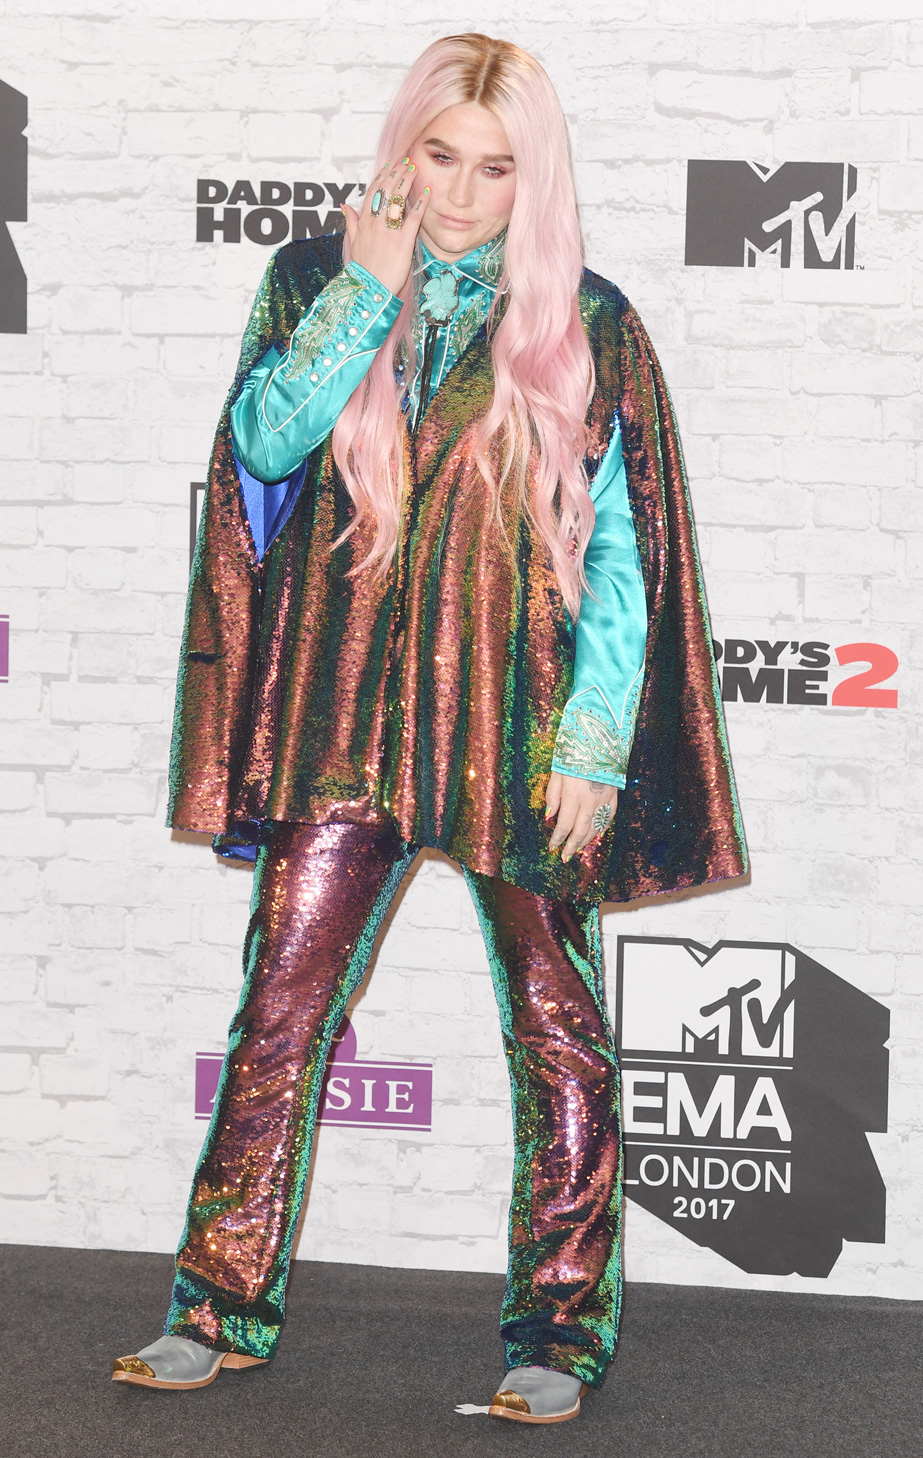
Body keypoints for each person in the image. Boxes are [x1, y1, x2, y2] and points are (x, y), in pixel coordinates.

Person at [112, 33, 747, 1423]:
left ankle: (558, 1333)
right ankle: (215, 1307)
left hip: (518, 728)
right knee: (280, 1008)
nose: (460, 194)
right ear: (405, 149)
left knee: (558, 1026)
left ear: (535, 176)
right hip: (341, 717)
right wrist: (368, 289)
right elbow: (264, 445)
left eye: (495, 168)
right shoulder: (314, 281)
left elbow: (625, 554)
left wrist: (593, 737)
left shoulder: (588, 320)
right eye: (441, 157)